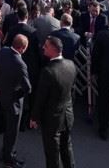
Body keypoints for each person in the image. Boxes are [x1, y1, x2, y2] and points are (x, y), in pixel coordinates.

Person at [30, 36, 77, 168]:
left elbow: (41, 98)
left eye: (46, 46)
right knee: (67, 147)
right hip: (67, 115)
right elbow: (72, 91)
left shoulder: (48, 71)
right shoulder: (71, 64)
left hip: (52, 119)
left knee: (52, 154)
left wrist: (34, 117)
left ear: (53, 49)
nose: (43, 47)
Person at [0, 34, 31, 168]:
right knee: (12, 131)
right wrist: (17, 95)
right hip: (13, 102)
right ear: (22, 48)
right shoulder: (20, 64)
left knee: (7, 127)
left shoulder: (3, 51)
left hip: (2, 95)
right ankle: (9, 158)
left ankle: (5, 151)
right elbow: (27, 88)